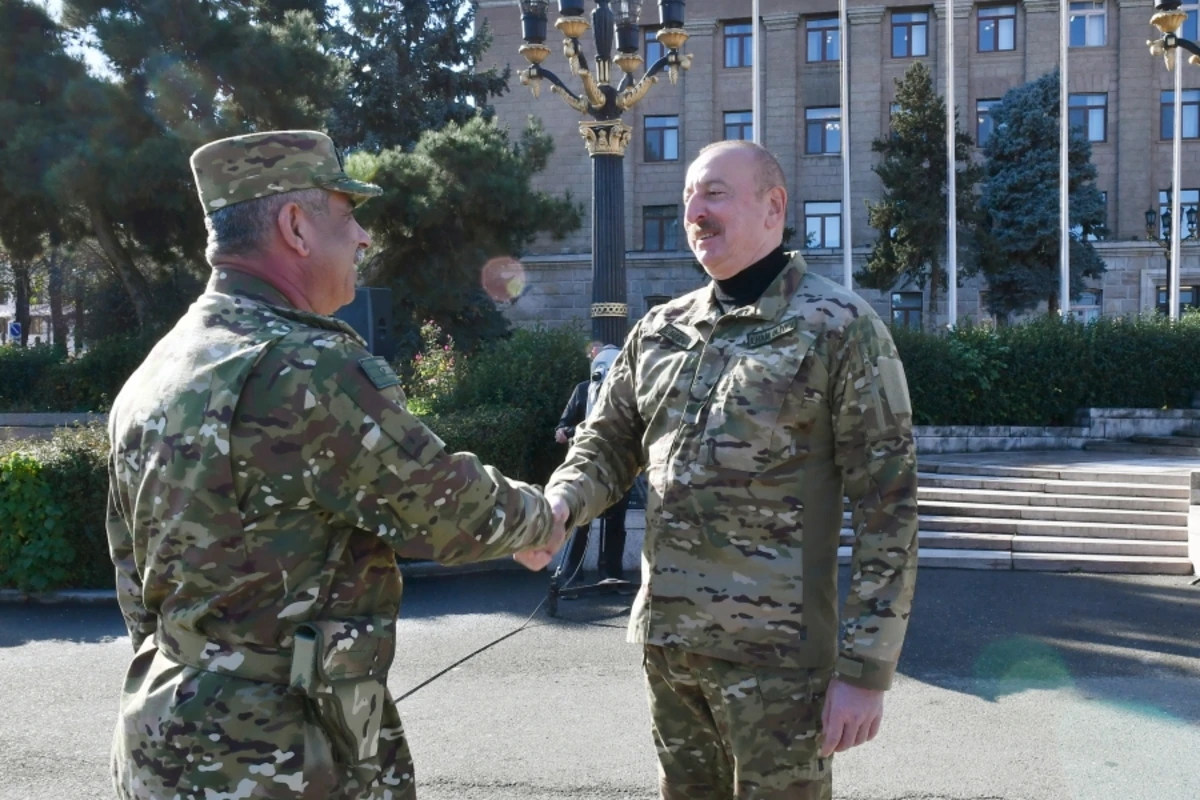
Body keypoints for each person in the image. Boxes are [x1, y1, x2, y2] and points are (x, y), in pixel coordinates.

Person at [105, 130, 567, 800]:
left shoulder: (160, 367)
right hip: (279, 749)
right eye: (348, 215)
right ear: (296, 226)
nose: (364, 237)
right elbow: (451, 510)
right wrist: (541, 518)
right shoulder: (306, 366)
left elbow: (132, 570)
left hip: (160, 731)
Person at [537, 139, 919, 799]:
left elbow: (888, 507)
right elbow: (607, 443)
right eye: (689, 196)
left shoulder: (839, 327)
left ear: (774, 208)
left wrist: (866, 669)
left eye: (715, 193)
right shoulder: (660, 329)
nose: (696, 211)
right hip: (670, 646)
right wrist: (560, 504)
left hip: (778, 662)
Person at [553, 343, 629, 582]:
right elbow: (562, 427)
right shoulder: (583, 390)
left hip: (618, 467)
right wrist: (568, 431)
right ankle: (571, 574)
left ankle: (611, 573)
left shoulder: (626, 394)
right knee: (580, 521)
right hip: (585, 467)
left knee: (615, 522)